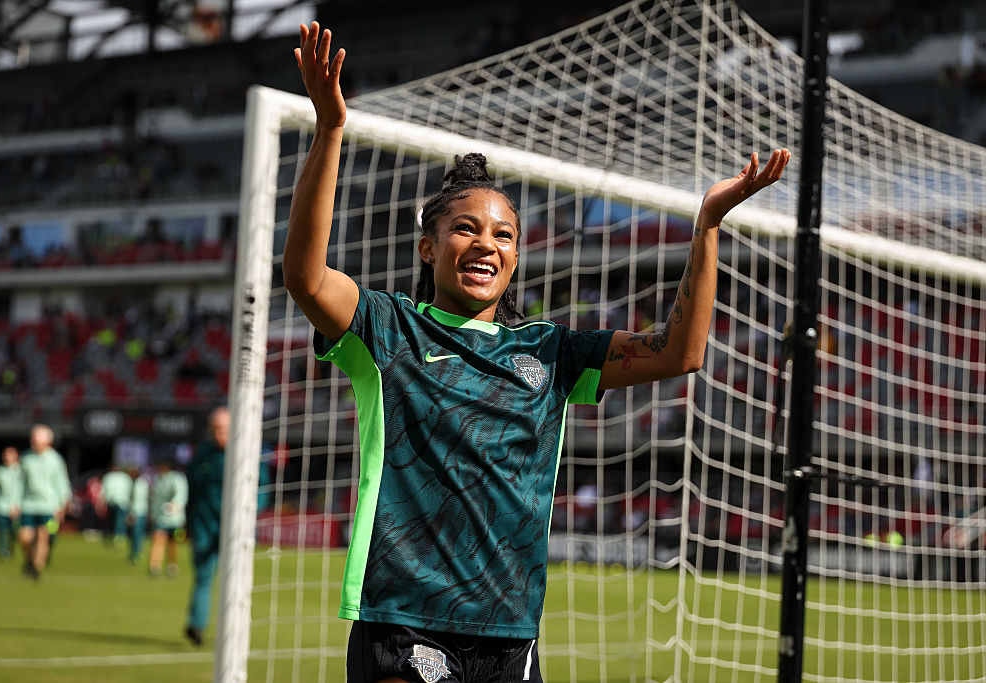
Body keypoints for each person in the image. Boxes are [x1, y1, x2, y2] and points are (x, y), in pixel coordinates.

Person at [288, 21, 790, 682]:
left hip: (510, 633)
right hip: (402, 618)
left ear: (517, 257)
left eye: (503, 234)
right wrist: (330, 130)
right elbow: (306, 276)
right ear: (428, 247)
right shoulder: (388, 329)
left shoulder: (551, 352)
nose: (486, 244)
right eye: (464, 227)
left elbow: (680, 351)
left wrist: (707, 227)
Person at [184, 406, 229, 646]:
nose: (219, 433)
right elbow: (191, 490)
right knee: (203, 576)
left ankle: (231, 630)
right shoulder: (202, 454)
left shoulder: (245, 452)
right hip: (204, 525)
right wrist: (190, 519)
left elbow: (260, 489)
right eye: (215, 429)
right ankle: (196, 626)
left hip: (234, 529)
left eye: (223, 429)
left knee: (233, 580)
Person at [17, 424, 71, 579]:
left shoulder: (55, 460)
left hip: (49, 506)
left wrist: (63, 503)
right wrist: (15, 502)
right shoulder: (26, 459)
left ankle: (37, 567)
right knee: (25, 538)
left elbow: (61, 482)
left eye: (38, 437)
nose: (34, 440)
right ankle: (30, 558)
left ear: (48, 441)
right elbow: (20, 483)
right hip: (28, 505)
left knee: (44, 535)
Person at [147, 457, 188, 576]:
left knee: (172, 543)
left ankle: (172, 565)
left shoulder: (177, 478)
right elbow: (155, 499)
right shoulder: (158, 479)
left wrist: (174, 504)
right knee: (158, 539)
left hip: (175, 518)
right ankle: (155, 565)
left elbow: (180, 494)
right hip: (160, 517)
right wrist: (153, 514)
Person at [0, 446, 22, 560]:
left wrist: (18, 505)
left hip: (17, 506)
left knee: (14, 530)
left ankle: (10, 547)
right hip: (2, 505)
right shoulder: (0, 471)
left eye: (10, 454)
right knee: (2, 529)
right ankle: (3, 550)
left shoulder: (21, 471)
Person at [100, 462, 133, 546]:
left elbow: (105, 491)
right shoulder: (124, 477)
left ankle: (119, 536)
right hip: (117, 502)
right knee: (118, 520)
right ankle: (118, 535)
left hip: (120, 502)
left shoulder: (110, 477)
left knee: (119, 520)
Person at [127, 467, 149, 565]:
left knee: (137, 533)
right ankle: (134, 552)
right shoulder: (132, 483)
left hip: (140, 512)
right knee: (134, 534)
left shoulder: (142, 483)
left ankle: (137, 552)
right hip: (134, 512)